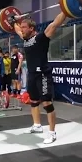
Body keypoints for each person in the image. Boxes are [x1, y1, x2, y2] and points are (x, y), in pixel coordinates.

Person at [11, 12, 67, 144]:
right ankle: (37, 125)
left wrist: (65, 10)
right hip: (32, 75)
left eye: (24, 27)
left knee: (47, 103)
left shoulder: (41, 37)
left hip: (42, 74)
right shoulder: (25, 39)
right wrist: (13, 20)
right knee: (34, 101)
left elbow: (55, 24)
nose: (22, 29)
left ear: (31, 28)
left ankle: (52, 133)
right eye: (22, 27)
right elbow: (17, 29)